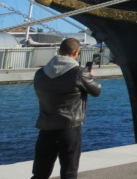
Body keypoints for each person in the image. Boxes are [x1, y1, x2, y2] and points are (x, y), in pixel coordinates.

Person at [32, 37, 102, 179]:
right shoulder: (79, 72)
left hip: (45, 128)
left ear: (59, 50)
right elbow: (97, 91)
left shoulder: (40, 73)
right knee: (69, 173)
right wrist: (91, 77)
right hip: (69, 128)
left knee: (40, 173)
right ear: (76, 52)